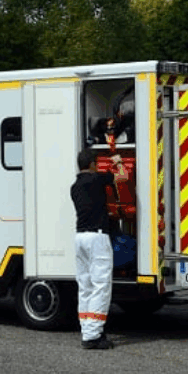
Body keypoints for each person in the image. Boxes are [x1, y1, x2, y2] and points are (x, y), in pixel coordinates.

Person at [70, 148, 128, 349]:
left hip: (80, 238)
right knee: (101, 286)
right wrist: (118, 161)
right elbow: (123, 177)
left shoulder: (75, 186)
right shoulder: (97, 179)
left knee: (85, 286)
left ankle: (88, 330)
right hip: (97, 238)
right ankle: (93, 336)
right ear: (93, 164)